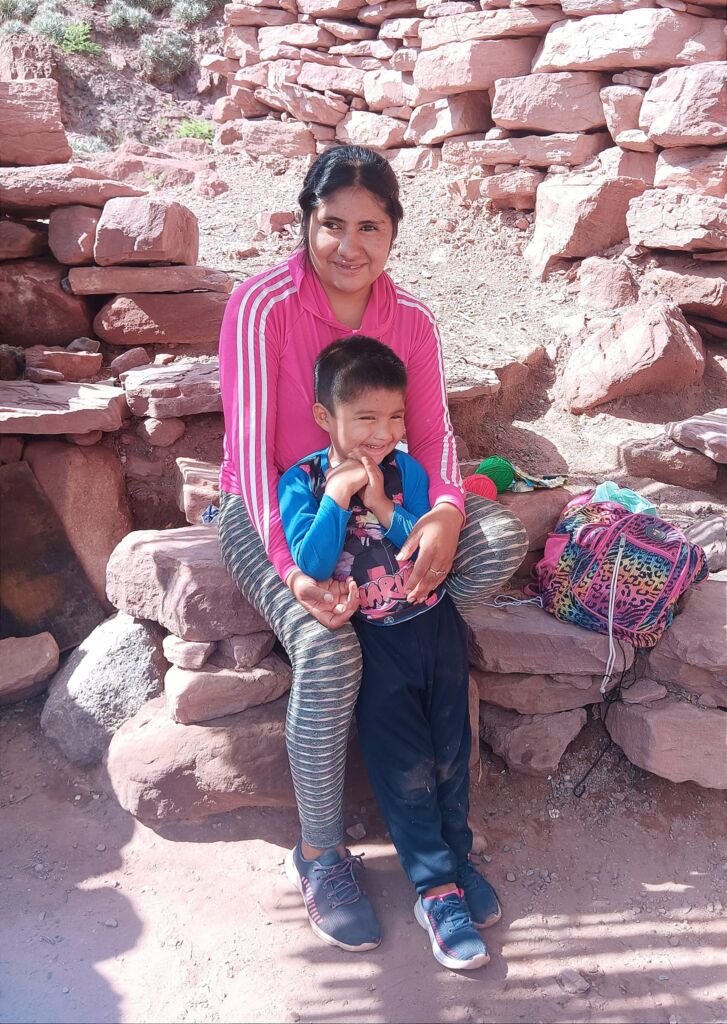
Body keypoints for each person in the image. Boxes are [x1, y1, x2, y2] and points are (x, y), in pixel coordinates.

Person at [217, 144, 528, 955]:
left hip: (390, 511)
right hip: (280, 513)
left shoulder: (410, 320)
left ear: (393, 232)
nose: (348, 247)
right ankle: (320, 855)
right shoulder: (262, 307)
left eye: (369, 226)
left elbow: (435, 440)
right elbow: (251, 455)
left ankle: (398, 619)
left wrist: (448, 515)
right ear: (304, 223)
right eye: (331, 225)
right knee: (328, 654)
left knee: (496, 542)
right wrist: (292, 571)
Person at [279, 335, 501, 970]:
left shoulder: (410, 474)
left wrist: (380, 502)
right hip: (378, 649)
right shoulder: (302, 482)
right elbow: (313, 561)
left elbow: (422, 544)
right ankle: (436, 894)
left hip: (435, 630)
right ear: (327, 418)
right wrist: (336, 498)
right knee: (405, 770)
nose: (384, 433)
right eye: (367, 419)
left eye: (395, 417)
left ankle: (458, 859)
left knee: (452, 755)